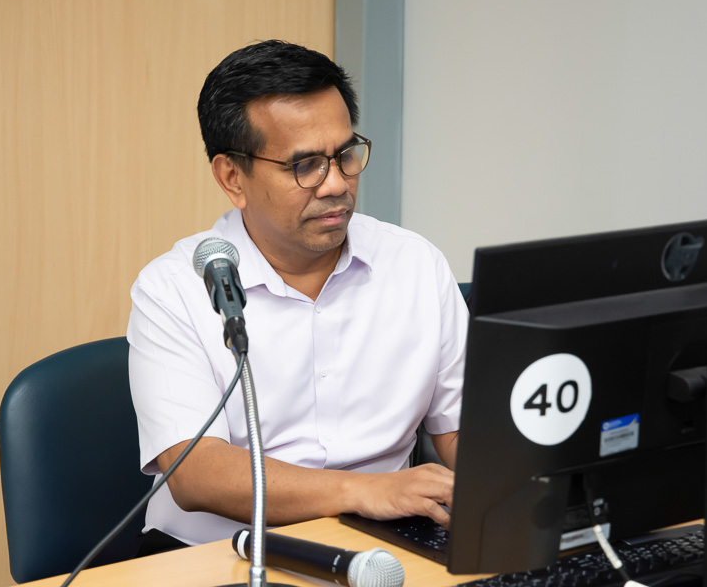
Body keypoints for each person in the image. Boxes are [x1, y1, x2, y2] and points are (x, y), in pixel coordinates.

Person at [127, 40, 468, 550]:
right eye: (305, 165)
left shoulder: (415, 264)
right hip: (217, 553)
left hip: (387, 544)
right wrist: (365, 491)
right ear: (232, 177)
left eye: (345, 155)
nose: (336, 185)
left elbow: (461, 433)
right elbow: (197, 474)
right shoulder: (173, 288)